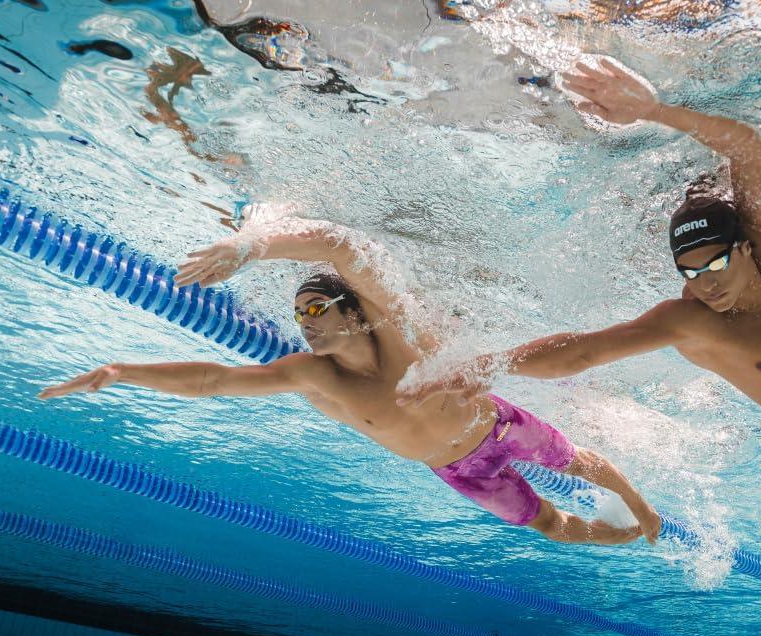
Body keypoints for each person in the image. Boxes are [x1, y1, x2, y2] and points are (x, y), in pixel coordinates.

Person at [399, 59, 761, 541]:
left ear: (746, 248)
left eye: (715, 264)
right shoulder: (691, 321)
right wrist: (492, 364)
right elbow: (583, 352)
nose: (705, 283)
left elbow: (751, 150)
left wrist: (653, 111)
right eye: (688, 271)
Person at [39, 213, 662, 546]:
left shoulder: (399, 332)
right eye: (298, 314)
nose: (305, 322)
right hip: (458, 471)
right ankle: (621, 538)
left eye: (316, 307)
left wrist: (252, 247)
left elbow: (340, 248)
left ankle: (640, 506)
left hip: (497, 426)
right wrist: (122, 372)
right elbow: (213, 381)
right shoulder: (314, 375)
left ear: (355, 313)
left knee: (578, 463)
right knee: (551, 526)